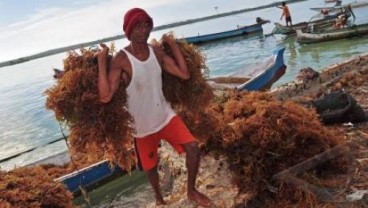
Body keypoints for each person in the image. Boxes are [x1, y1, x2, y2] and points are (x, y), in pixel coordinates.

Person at [95, 8, 213, 207]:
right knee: (150, 167)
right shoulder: (122, 59)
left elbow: (184, 74)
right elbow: (106, 96)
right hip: (142, 127)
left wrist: (172, 45)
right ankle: (159, 199)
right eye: (138, 27)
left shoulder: (156, 52)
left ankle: (192, 191)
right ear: (129, 30)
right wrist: (100, 61)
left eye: (147, 26)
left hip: (165, 115)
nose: (144, 31)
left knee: (193, 147)